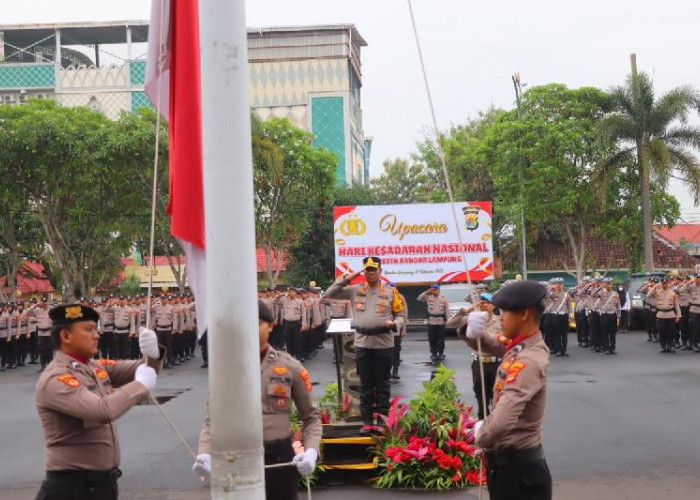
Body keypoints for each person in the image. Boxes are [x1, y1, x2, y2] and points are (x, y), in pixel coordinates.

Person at [193, 301, 321, 500]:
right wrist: (205, 453)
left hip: (279, 460)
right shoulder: (227, 368)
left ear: (270, 326)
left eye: (258, 322)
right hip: (237, 459)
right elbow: (213, 418)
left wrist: (312, 451)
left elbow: (312, 417)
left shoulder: (290, 367)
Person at [34, 304, 164, 500]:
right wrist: (140, 385)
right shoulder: (56, 379)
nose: (97, 335)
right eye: (88, 329)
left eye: (96, 328)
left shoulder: (93, 366)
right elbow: (103, 411)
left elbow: (139, 368)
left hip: (100, 485)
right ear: (66, 336)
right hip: (72, 488)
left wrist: (153, 354)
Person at [466, 280, 552, 500]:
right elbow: (494, 344)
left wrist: (480, 434)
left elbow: (504, 419)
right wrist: (472, 331)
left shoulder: (529, 360)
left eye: (504, 311)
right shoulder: (521, 345)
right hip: (509, 469)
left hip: (519, 475)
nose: (500, 317)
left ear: (523, 314)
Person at [324, 257, 406, 431]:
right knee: (366, 384)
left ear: (380, 271)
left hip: (384, 343)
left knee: (383, 383)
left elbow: (401, 315)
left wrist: (396, 324)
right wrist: (349, 278)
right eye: (367, 270)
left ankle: (383, 420)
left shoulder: (391, 292)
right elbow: (329, 293)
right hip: (363, 343)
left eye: (374, 269)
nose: (371, 273)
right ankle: (367, 421)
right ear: (364, 272)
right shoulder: (355, 290)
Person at [448, 292, 501, 420]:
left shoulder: (499, 321)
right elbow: (450, 323)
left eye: (488, 303)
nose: (484, 305)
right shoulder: (472, 319)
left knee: (497, 396)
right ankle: (482, 421)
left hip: (496, 364)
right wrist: (468, 309)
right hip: (479, 363)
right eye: (482, 303)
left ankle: (496, 423)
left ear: (494, 306)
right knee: (480, 395)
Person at [646, 278, 681, 353]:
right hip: (661, 315)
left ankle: (670, 346)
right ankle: (663, 346)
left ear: (668, 284)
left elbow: (676, 305)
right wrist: (655, 286)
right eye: (663, 284)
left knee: (671, 332)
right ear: (661, 284)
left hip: (670, 315)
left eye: (665, 284)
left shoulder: (672, 293)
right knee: (661, 332)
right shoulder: (657, 292)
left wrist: (678, 315)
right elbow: (648, 295)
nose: (664, 285)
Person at [417, 284, 449, 363]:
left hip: (441, 320)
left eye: (435, 289)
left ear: (438, 290)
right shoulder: (428, 297)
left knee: (441, 339)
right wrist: (427, 292)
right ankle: (434, 354)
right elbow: (419, 298)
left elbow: (447, 310)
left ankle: (441, 353)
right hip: (431, 321)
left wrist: (447, 321)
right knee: (432, 339)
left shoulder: (443, 299)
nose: (433, 291)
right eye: (432, 289)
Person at [275, 288, 308, 361]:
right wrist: (280, 295)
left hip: (296, 323)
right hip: (287, 323)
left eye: (293, 292)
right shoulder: (284, 300)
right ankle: (290, 356)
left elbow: (304, 313)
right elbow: (275, 301)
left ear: (296, 293)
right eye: (290, 292)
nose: (291, 293)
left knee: (297, 341)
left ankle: (298, 356)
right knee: (288, 341)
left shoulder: (300, 302)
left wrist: (304, 324)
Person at [545, 278, 570, 357]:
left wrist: (570, 315)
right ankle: (558, 349)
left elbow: (568, 306)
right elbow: (545, 295)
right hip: (555, 315)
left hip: (564, 315)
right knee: (557, 333)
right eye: (558, 284)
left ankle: (564, 350)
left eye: (561, 284)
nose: (559, 286)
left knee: (564, 334)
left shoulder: (566, 294)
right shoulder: (551, 294)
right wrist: (551, 288)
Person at [679, 274, 700, 352]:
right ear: (695, 278)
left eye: (699, 278)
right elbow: (681, 290)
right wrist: (687, 283)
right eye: (697, 278)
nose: (698, 280)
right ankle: (694, 344)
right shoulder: (691, 286)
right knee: (694, 327)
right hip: (694, 309)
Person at [391, 284, 408, 379]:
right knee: (386, 353)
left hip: (397, 329)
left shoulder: (400, 297)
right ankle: (388, 371)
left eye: (393, 287)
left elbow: (404, 315)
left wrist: (404, 329)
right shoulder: (384, 297)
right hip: (385, 331)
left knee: (396, 351)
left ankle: (395, 371)